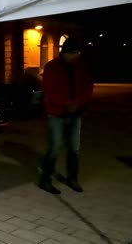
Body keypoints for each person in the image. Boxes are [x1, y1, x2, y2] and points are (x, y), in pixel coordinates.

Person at [38, 37, 94, 194]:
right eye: (73, 53)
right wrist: (66, 103)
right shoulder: (51, 67)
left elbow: (88, 87)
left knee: (74, 149)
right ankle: (45, 180)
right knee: (54, 147)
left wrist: (78, 102)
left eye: (78, 53)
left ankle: (72, 178)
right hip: (56, 114)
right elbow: (49, 91)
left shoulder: (81, 67)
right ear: (65, 52)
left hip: (76, 114)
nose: (75, 56)